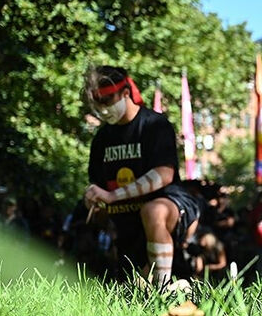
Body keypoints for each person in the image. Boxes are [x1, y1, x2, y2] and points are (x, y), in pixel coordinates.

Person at [82, 65, 202, 289]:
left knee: (154, 210)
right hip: (127, 222)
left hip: (169, 207)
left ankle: (162, 289)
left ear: (125, 93)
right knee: (132, 287)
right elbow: (98, 187)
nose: (102, 109)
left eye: (107, 100)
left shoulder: (154, 124)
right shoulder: (101, 138)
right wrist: (94, 201)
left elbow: (164, 174)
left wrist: (111, 195)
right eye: (97, 102)